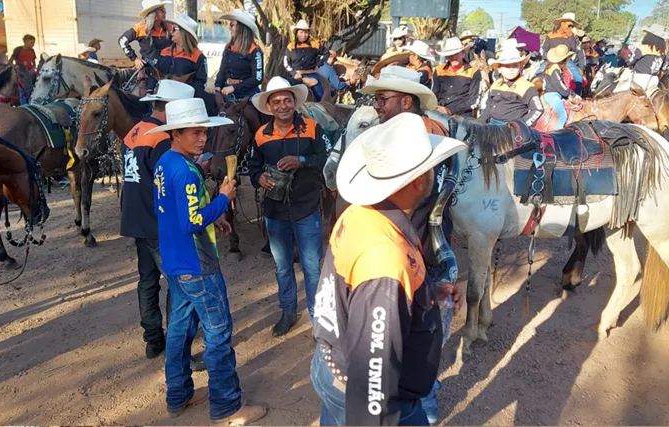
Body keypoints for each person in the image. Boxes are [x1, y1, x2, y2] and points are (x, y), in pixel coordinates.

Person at [310, 112, 466, 425]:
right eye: (430, 166)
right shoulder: (385, 258)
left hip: (333, 367)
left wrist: (421, 293)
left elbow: (358, 292)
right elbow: (373, 375)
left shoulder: (363, 214)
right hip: (375, 398)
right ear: (421, 180)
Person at [150, 97, 268, 424]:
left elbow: (179, 211)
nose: (202, 139)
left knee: (178, 332)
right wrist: (222, 201)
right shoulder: (186, 172)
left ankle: (179, 395)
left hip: (175, 263)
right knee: (218, 334)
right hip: (198, 265)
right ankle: (227, 406)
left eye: (204, 132)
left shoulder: (165, 162)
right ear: (175, 133)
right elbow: (191, 221)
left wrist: (214, 215)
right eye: (194, 133)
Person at [358, 65, 452, 425]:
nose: (377, 106)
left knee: (413, 345)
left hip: (415, 253)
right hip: (407, 251)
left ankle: (424, 409)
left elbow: (423, 203)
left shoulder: (426, 140)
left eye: (383, 99)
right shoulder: (407, 134)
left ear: (406, 101)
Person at [249, 77, 329, 336]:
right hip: (275, 211)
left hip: (307, 207)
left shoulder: (312, 128)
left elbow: (325, 158)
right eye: (276, 102)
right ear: (269, 107)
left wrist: (302, 160)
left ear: (295, 102)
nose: (282, 106)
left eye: (287, 100)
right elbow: (253, 167)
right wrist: (258, 177)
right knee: (282, 266)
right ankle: (288, 312)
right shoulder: (261, 135)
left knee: (312, 266)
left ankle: (318, 317)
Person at [121, 80, 194, 360]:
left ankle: (152, 338)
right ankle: (177, 338)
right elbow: (169, 182)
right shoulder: (162, 139)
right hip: (159, 223)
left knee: (148, 281)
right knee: (177, 281)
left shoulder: (134, 132)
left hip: (136, 219)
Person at [482, 45, 543, 127]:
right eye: (507, 66)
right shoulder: (495, 85)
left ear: (520, 67)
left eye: (515, 65)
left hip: (512, 129)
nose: (511, 69)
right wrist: (480, 121)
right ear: (499, 68)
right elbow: (489, 106)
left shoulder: (527, 87)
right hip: (492, 124)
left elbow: (538, 109)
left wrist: (521, 126)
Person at [151, 14, 207, 95]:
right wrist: (150, 90)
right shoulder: (164, 52)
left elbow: (201, 84)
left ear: (183, 32)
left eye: (174, 29)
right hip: (161, 98)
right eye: (171, 28)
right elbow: (155, 75)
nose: (171, 31)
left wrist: (184, 92)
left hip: (183, 101)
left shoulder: (198, 56)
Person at [215, 9, 264, 100]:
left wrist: (234, 87)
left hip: (248, 94)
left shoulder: (255, 51)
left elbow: (257, 78)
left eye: (232, 25)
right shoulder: (228, 48)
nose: (229, 28)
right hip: (227, 90)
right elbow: (222, 71)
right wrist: (218, 86)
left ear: (241, 28)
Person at [432, 37, 482, 116]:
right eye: (450, 55)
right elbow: (434, 93)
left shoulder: (473, 72)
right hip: (440, 111)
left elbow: (472, 100)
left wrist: (450, 110)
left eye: (456, 54)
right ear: (447, 56)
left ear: (463, 53)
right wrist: (438, 107)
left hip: (462, 115)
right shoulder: (439, 70)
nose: (453, 57)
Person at [119, 0, 173, 73]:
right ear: (154, 14)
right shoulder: (140, 28)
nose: (165, 12)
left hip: (168, 67)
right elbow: (122, 41)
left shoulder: (170, 27)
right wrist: (135, 59)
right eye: (162, 10)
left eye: (164, 10)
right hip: (149, 68)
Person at [283, 19, 330, 101]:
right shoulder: (291, 46)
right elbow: (286, 62)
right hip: (295, 75)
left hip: (311, 74)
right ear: (296, 33)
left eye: (306, 32)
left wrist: (318, 64)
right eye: (301, 32)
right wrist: (293, 73)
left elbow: (326, 53)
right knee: (285, 93)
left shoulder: (314, 44)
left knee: (320, 96)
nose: (304, 35)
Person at [541, 13, 584, 95]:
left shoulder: (573, 37)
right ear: (562, 23)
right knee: (536, 75)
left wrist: (571, 37)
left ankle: (577, 98)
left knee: (578, 78)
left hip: (566, 61)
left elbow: (576, 50)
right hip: (550, 60)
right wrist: (548, 59)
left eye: (572, 26)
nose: (571, 27)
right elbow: (544, 50)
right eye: (569, 25)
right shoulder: (551, 35)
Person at [542, 45, 575, 130]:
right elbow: (560, 86)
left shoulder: (553, 67)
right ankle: (558, 135)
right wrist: (571, 94)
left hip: (554, 94)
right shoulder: (555, 69)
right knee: (562, 116)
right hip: (551, 95)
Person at [627, 24, 667, 91]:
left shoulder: (643, 48)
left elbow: (630, 62)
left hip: (639, 78)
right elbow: (663, 68)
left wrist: (627, 61)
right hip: (654, 79)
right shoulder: (663, 52)